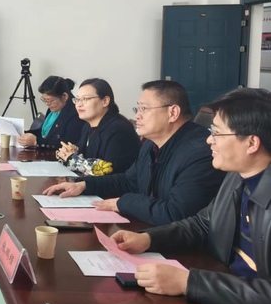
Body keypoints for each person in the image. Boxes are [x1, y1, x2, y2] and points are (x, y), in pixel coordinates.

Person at [111, 88, 271, 304]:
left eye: (217, 133)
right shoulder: (238, 177)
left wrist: (188, 282)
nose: (209, 140)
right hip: (227, 301)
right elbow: (203, 224)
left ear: (252, 143)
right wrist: (148, 239)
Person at [44, 80, 225, 225]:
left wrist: (123, 202)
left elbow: (176, 213)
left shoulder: (200, 153)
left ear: (173, 112)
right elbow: (129, 180)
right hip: (150, 230)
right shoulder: (151, 143)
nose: (137, 115)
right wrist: (84, 185)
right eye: (137, 109)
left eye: (144, 109)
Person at [56, 78, 141, 176]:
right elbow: (82, 153)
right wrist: (69, 151)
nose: (79, 104)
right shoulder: (87, 126)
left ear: (105, 101)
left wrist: (72, 159)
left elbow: (109, 171)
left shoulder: (119, 130)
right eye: (77, 99)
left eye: (85, 99)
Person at [18, 76, 84, 149]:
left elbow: (66, 144)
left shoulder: (75, 115)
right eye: (44, 100)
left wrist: (37, 141)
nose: (47, 104)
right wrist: (23, 134)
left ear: (64, 96)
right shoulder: (53, 110)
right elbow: (42, 133)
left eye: (50, 101)